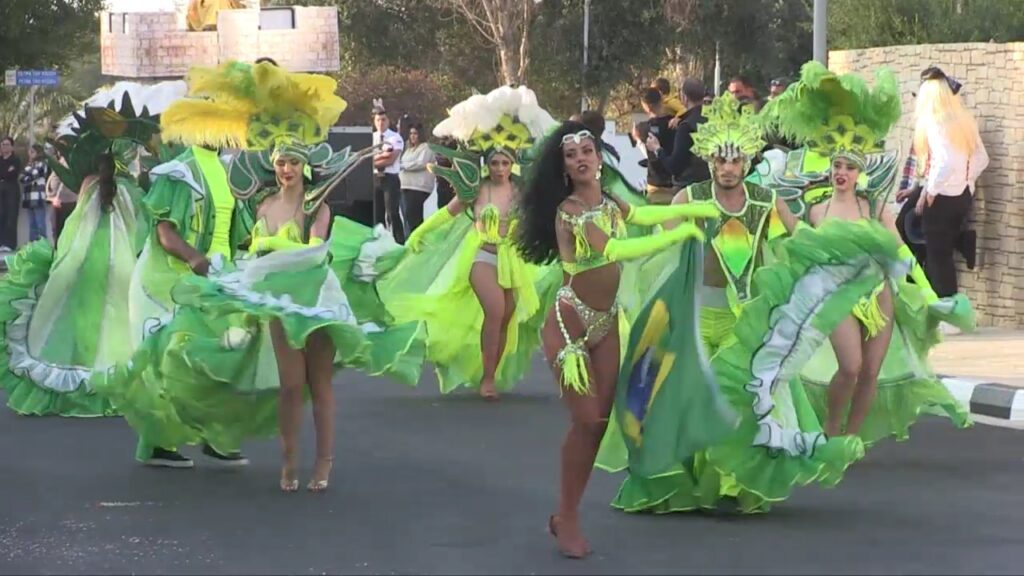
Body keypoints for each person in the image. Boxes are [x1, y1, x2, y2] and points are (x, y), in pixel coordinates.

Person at [515, 121, 718, 558]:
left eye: (587, 150)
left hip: (605, 323)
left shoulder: (608, 200)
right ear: (564, 168)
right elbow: (612, 250)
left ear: (599, 157)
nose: (581, 158)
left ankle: (567, 514)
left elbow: (640, 214)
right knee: (586, 420)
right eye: (572, 155)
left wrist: (693, 212)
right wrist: (678, 234)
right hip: (570, 324)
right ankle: (566, 516)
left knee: (600, 423)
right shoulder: (570, 210)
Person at [764, 61, 974, 445]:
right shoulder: (817, 208)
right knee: (850, 367)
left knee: (871, 372)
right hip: (838, 296)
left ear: (859, 173)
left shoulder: (874, 209)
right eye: (836, 166)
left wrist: (931, 297)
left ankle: (852, 437)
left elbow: (902, 253)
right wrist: (775, 204)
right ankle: (830, 430)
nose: (840, 172)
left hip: (876, 294)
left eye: (848, 167)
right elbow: (801, 242)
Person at [377, 85, 557, 400]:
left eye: (505, 163)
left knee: (507, 316)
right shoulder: (475, 190)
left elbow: (542, 217)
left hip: (512, 261)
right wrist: (418, 233)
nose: (500, 168)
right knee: (496, 309)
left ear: (511, 163)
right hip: (482, 256)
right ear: (487, 163)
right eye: (495, 163)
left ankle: (491, 371)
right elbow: (446, 214)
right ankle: (487, 379)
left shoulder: (521, 191)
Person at [0, 147, 147, 417]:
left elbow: (75, 228)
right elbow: (138, 230)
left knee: (72, 322)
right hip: (121, 265)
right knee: (116, 325)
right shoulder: (130, 189)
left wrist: (60, 259)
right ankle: (111, 378)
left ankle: (74, 375)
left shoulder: (88, 183)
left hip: (82, 263)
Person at [912, 66, 988, 298]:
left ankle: (948, 311)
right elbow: (982, 158)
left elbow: (945, 163)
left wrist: (932, 190)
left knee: (938, 255)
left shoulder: (935, 122)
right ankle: (964, 242)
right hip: (962, 196)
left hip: (943, 198)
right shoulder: (964, 120)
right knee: (941, 251)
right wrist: (966, 180)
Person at [645, 77, 711, 189]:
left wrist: (657, 149)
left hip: (688, 188)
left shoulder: (685, 126)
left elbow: (674, 166)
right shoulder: (713, 120)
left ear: (684, 97)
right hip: (711, 185)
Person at [371, 104, 405, 243]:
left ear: (388, 121)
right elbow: (365, 159)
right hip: (374, 179)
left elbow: (391, 159)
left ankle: (399, 242)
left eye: (383, 120)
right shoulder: (371, 138)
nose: (380, 123)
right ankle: (379, 242)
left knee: (392, 214)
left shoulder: (395, 137)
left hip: (389, 178)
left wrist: (375, 158)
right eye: (378, 120)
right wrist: (382, 155)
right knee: (376, 215)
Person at [398, 123, 436, 238]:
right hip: (404, 186)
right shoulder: (409, 149)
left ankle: (418, 241)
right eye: (411, 134)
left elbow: (421, 163)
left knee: (413, 217)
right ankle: (407, 241)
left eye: (415, 133)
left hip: (418, 187)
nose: (412, 136)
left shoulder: (426, 147)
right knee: (406, 217)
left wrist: (403, 165)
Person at [19, 144, 50, 242]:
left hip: (38, 197)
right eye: (29, 152)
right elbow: (21, 177)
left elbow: (33, 175)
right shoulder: (29, 164)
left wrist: (26, 176)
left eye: (32, 152)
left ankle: (43, 245)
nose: (30, 154)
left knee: (40, 223)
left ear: (38, 152)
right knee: (32, 224)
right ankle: (32, 246)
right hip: (28, 197)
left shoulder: (42, 163)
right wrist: (26, 176)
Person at [0, 137, 22, 251]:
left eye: (7, 144)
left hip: (12, 190)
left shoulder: (15, 160)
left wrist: (5, 174)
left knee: (11, 216)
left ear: (12, 147)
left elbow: (11, 174)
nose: (5, 147)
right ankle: (1, 242)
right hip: (1, 190)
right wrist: (5, 173)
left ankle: (10, 244)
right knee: (1, 215)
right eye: (3, 144)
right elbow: (4, 173)